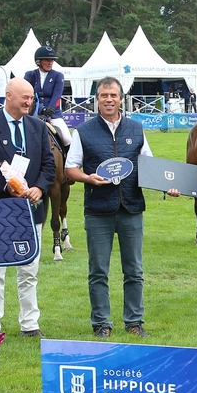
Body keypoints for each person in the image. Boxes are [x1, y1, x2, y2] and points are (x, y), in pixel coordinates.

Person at [64, 76, 154, 339]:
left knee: (134, 270)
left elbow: (149, 165)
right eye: (104, 95)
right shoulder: (83, 131)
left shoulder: (136, 129)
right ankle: (101, 323)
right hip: (98, 210)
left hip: (131, 208)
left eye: (113, 95)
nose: (109, 99)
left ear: (121, 98)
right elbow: (70, 168)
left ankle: (134, 322)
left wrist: (167, 185)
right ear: (97, 99)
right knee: (98, 271)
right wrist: (87, 178)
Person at [0, 77, 54, 336]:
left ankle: (30, 324)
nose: (29, 102)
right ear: (8, 96)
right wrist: (5, 185)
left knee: (29, 270)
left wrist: (39, 188)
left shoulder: (38, 127)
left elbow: (49, 165)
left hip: (31, 209)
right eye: (24, 97)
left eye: (31, 98)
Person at [25, 45, 71, 151]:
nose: (50, 62)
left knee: (67, 138)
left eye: (52, 60)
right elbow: (28, 95)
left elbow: (56, 96)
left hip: (53, 114)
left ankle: (68, 160)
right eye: (47, 60)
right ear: (39, 61)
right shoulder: (30, 75)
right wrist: (42, 109)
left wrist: (47, 112)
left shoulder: (58, 76)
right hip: (33, 112)